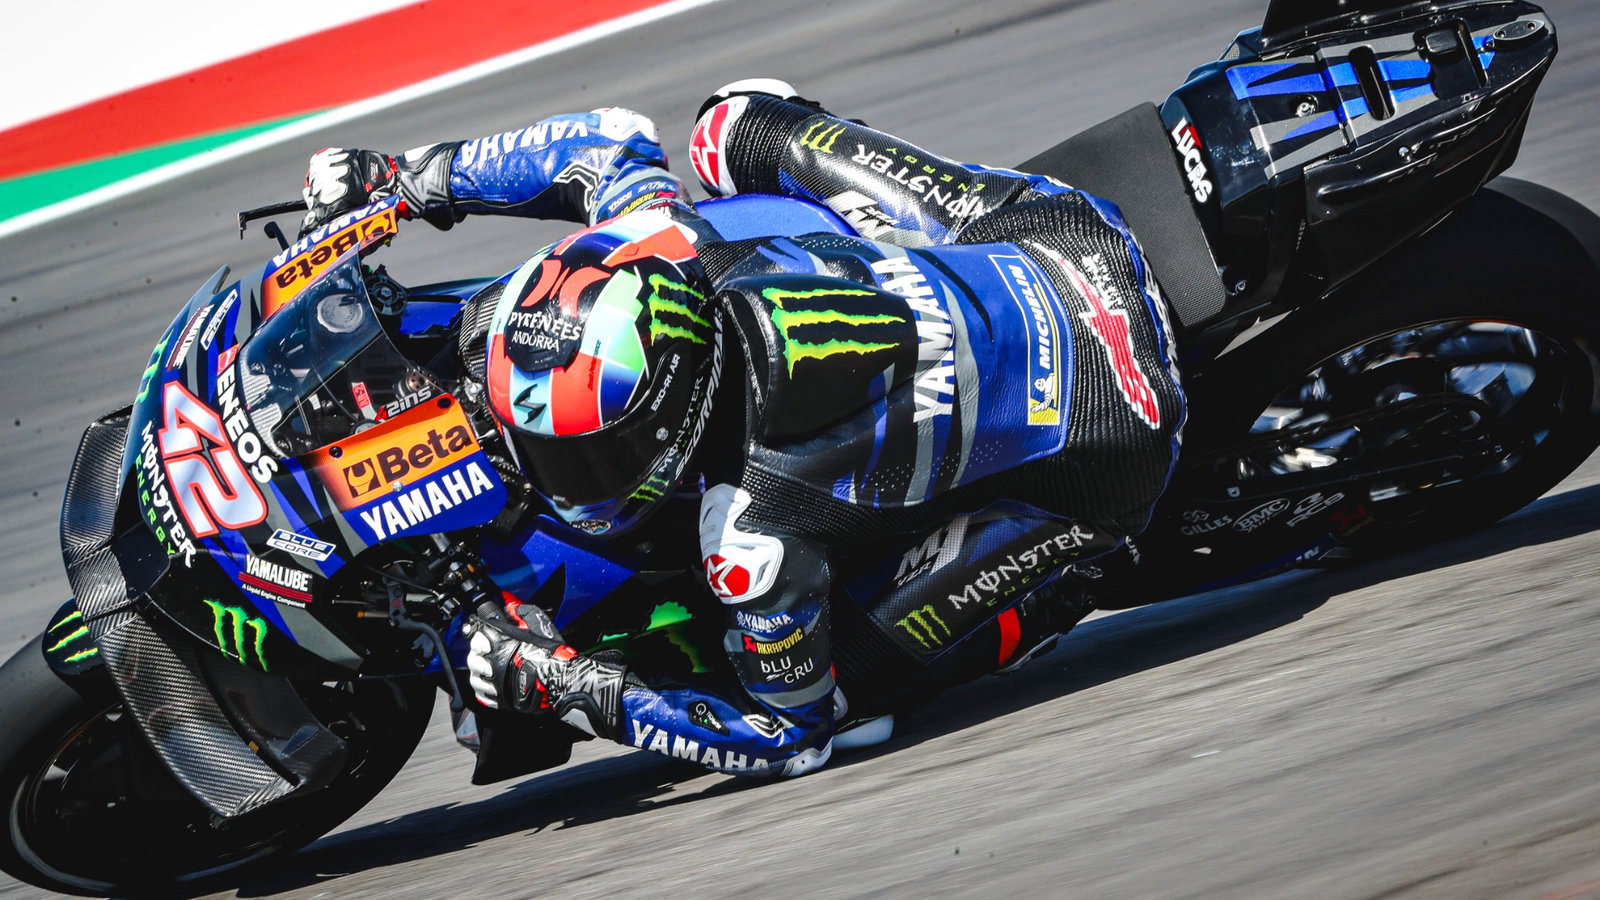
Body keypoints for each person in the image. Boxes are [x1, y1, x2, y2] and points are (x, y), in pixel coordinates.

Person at [299, 80, 1185, 777]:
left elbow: (784, 738)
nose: (554, 474)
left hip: (1115, 428)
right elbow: (602, 140)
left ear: (668, 422)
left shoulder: (749, 535)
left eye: (587, 455)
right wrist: (402, 181)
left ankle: (1059, 589)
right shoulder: (664, 238)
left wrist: (570, 686)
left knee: (847, 706)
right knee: (730, 123)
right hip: (1056, 232)